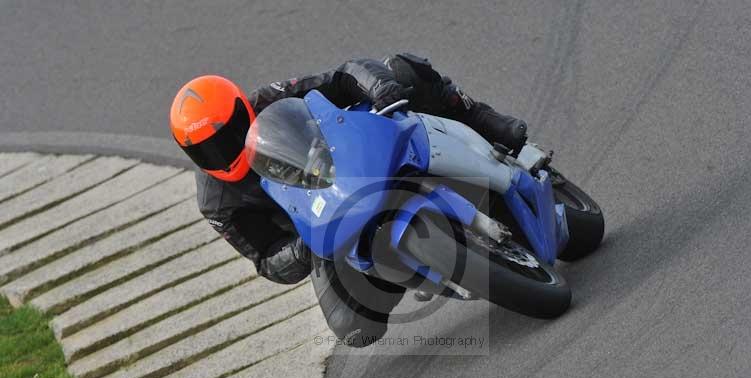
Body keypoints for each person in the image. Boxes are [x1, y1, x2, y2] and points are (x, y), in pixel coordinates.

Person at [169, 54, 528, 347]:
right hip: (326, 230)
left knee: (402, 70)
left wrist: (380, 88)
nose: (221, 151)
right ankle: (409, 268)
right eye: (204, 151)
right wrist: (300, 249)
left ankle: (482, 120)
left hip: (355, 163)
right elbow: (265, 259)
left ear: (241, 108)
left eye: (226, 135)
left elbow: (342, 76)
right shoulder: (218, 203)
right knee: (354, 327)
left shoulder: (271, 100)